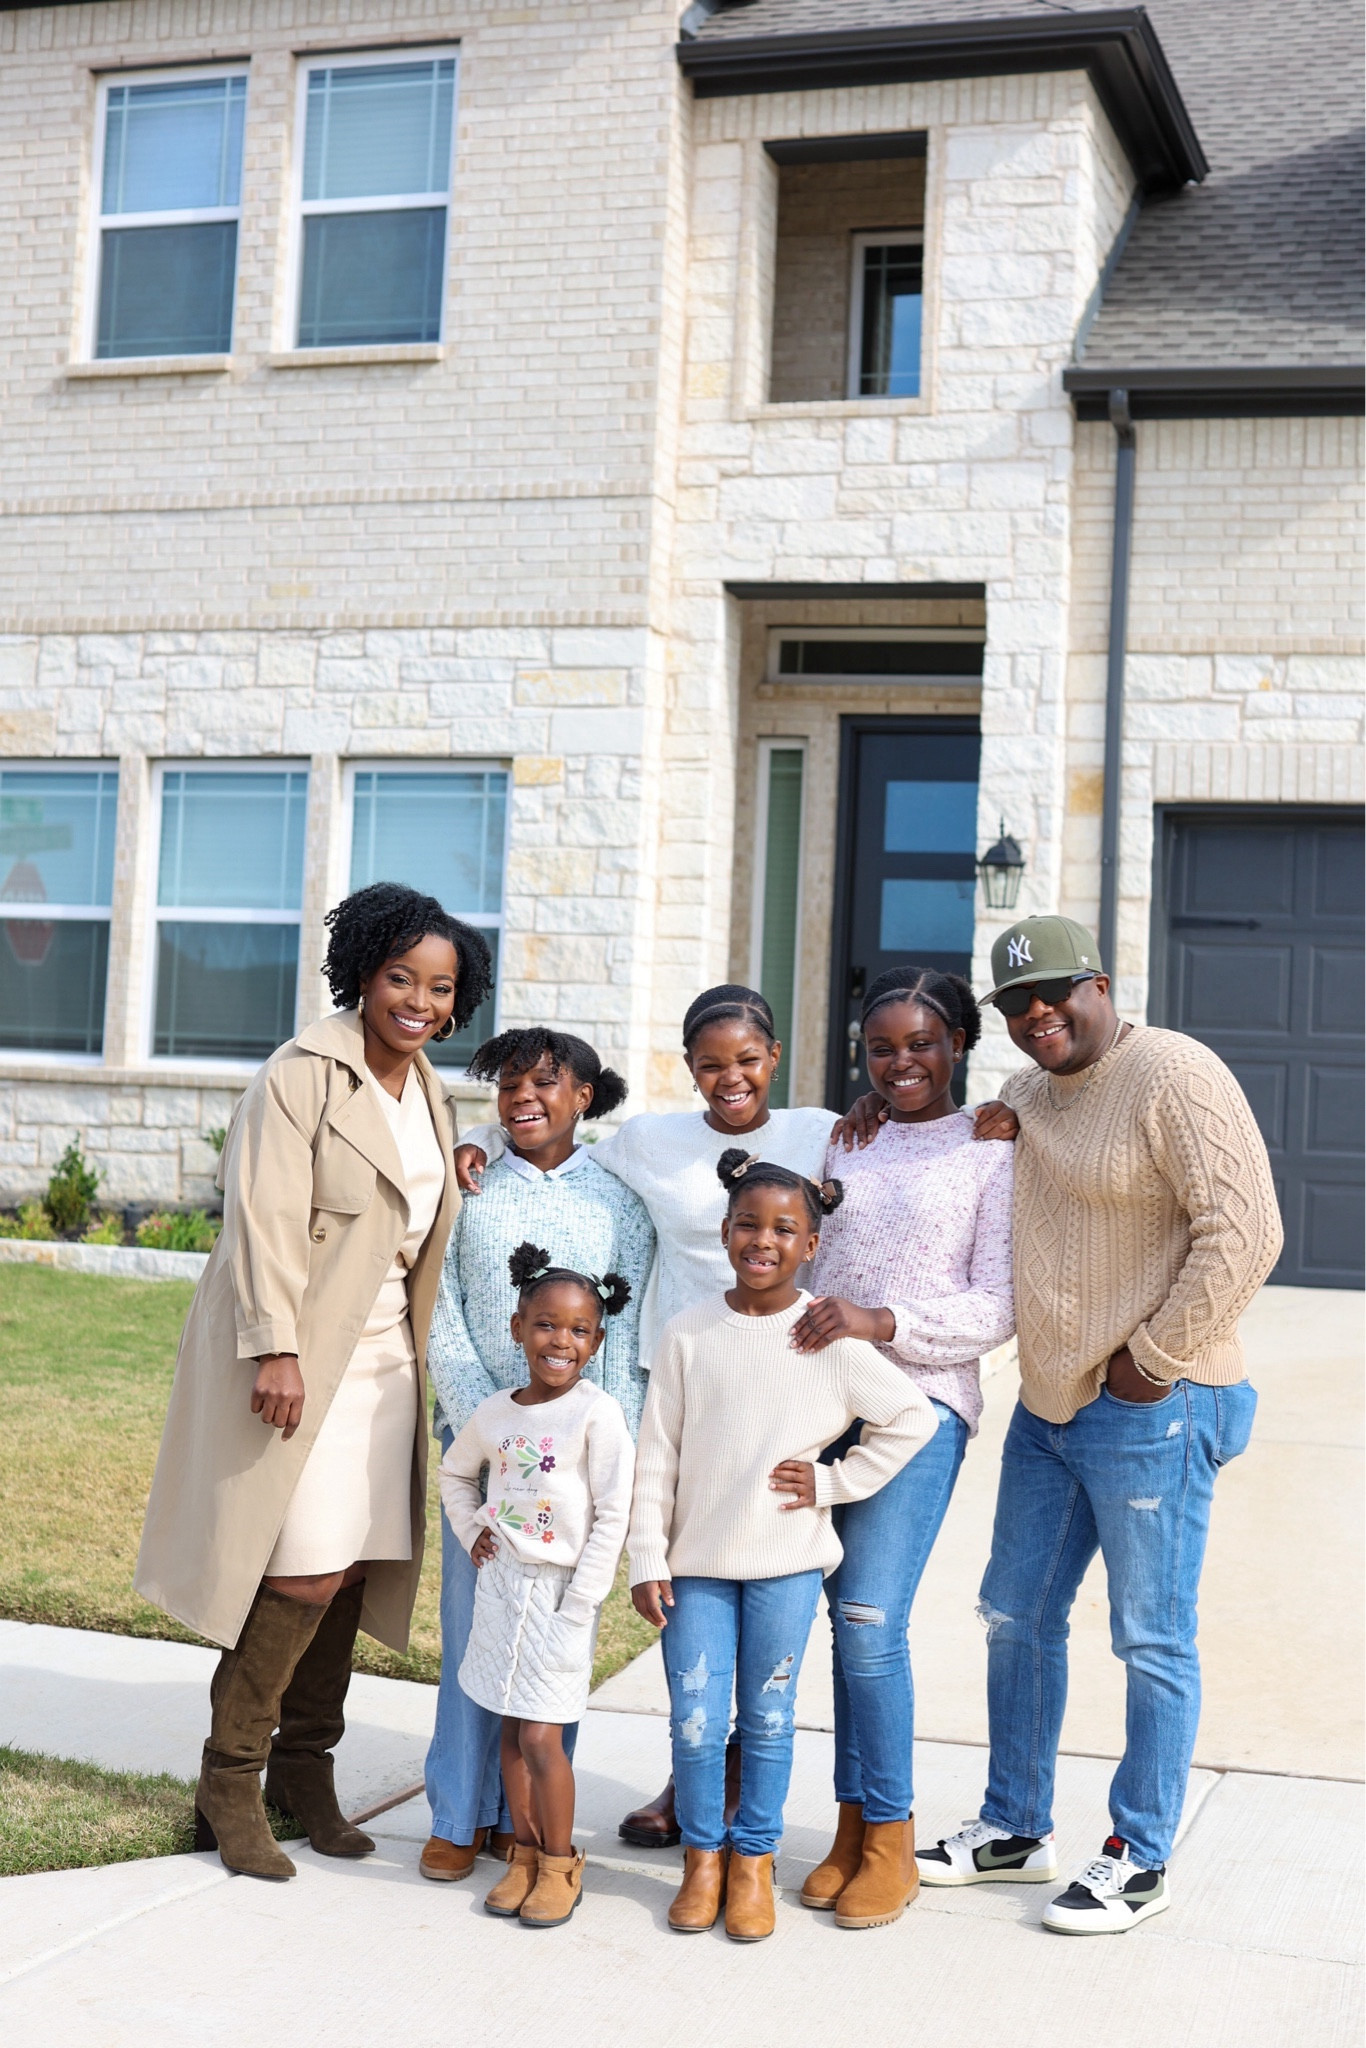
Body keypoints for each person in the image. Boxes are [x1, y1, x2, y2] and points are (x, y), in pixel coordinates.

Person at [905, 915, 1282, 1932]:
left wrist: (1151, 1360)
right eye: (1016, 1004)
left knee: (1150, 1635)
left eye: (1056, 992)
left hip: (1154, 1403)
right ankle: (1017, 1825)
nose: (1037, 1014)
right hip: (1051, 1405)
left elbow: (1246, 1233)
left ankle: (1140, 1850)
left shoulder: (1173, 1072)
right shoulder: (1027, 1093)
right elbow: (965, 1138)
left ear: (1101, 985)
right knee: (1015, 1615)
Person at [135, 883, 491, 1882]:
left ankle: (303, 1769)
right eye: (400, 978)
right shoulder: (302, 1074)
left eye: (440, 986)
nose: (419, 1000)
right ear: (363, 975)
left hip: (390, 1363)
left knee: (355, 1565)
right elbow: (258, 1217)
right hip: (307, 1357)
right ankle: (228, 1780)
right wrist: (274, 1346)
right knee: (299, 1567)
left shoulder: (429, 1087)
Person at [455, 983, 842, 1848]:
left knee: (775, 1589)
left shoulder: (819, 1131)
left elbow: (902, 1135)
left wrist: (995, 1119)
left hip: (791, 1387)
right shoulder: (652, 1141)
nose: (730, 1078)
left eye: (746, 1060)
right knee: (692, 1588)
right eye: (710, 1064)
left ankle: (747, 1779)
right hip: (688, 1388)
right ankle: (693, 1776)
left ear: (773, 1057)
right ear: (689, 1069)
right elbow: (555, 1147)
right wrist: (477, 1141)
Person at [628, 1151, 937, 1941]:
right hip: (696, 1567)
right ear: (725, 1232)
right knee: (696, 1720)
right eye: (749, 1225)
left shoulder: (825, 1339)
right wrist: (647, 1556)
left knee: (767, 1718)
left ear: (810, 1246)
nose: (763, 1240)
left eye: (785, 1229)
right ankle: (704, 1860)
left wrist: (833, 1484)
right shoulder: (689, 1333)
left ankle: (753, 1864)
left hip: (788, 1568)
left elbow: (913, 1417)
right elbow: (656, 1452)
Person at [787, 966, 1015, 1926]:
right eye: (882, 1048)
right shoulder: (847, 1138)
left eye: (921, 1044)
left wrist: (881, 1320)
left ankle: (891, 1834)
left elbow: (996, 1305)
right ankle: (847, 1827)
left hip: (919, 1407)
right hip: (819, 1402)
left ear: (958, 1041)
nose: (901, 1063)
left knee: (874, 1616)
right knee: (839, 1616)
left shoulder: (996, 1149)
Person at [419, 1027, 655, 1883]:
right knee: (472, 1634)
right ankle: (458, 1811)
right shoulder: (469, 1190)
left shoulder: (619, 1203)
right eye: (508, 1085)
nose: (523, 1099)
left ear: (582, 1097)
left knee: (554, 1641)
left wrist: (602, 1452)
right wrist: (488, 1431)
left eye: (544, 1084)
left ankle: (530, 1828)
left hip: (578, 1458)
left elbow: (623, 1339)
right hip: (484, 1447)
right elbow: (440, 1313)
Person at [440, 1242, 636, 1929]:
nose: (562, 1341)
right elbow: (455, 1474)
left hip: (560, 1595)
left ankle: (559, 1863)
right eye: (547, 1324)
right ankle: (520, 1854)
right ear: (519, 1326)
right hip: (501, 1587)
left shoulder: (596, 1414)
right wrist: (472, 1533)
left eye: (580, 1330)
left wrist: (583, 1599)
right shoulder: (496, 1413)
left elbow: (614, 1509)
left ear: (597, 1340)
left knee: (543, 1738)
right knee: (507, 1723)